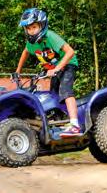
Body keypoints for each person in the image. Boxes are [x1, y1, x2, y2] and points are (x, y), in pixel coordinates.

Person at [15, 8, 82, 137]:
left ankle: (75, 125)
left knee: (65, 91)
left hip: (68, 64)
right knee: (53, 95)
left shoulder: (51, 36)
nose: (31, 31)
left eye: (34, 27)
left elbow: (70, 52)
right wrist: (18, 70)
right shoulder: (31, 42)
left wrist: (57, 68)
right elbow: (25, 52)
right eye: (28, 28)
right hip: (54, 69)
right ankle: (59, 122)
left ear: (42, 25)